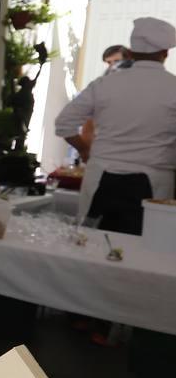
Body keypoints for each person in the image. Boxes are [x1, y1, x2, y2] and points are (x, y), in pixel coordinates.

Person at [56, 17, 176, 233]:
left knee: (91, 244)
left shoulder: (104, 84)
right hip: (153, 182)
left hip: (101, 177)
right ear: (165, 53)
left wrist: (84, 148)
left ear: (130, 52)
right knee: (145, 250)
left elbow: (64, 124)